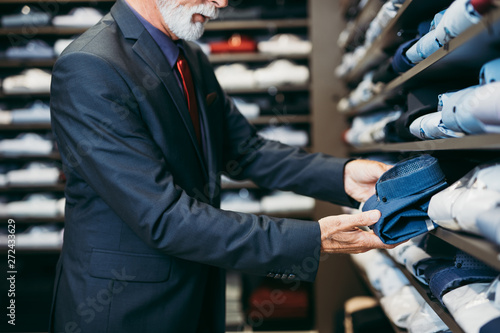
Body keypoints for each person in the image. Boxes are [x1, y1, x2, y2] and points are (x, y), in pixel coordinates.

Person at [48, 0, 396, 332]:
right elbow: (162, 216)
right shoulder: (90, 65)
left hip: (198, 289)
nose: (222, 2)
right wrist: (310, 239)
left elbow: (246, 149)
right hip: (127, 308)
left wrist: (344, 176)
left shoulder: (189, 56)